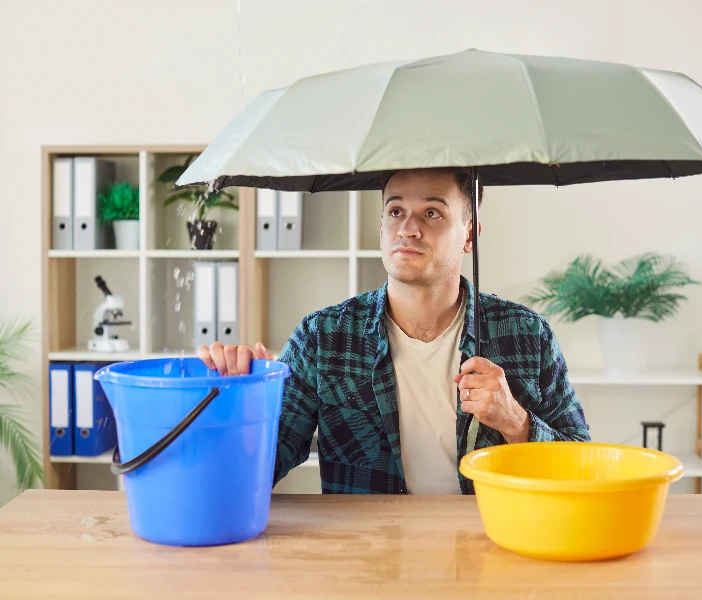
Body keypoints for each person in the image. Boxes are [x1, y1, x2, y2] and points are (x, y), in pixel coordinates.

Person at [198, 167, 590, 495]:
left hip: (490, 561)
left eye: (432, 213)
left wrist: (516, 423)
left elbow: (582, 470)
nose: (409, 228)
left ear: (470, 234)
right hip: (368, 568)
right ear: (381, 227)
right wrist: (243, 405)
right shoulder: (324, 338)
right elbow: (248, 477)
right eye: (396, 210)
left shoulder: (526, 335)